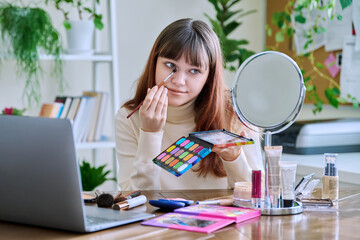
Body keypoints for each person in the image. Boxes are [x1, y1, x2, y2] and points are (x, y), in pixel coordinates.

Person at [115, 18, 264, 190]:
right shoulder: (129, 118)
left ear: (209, 77)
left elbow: (257, 196)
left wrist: (234, 159)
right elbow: (134, 201)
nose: (179, 81)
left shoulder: (236, 113)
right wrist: (149, 133)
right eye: (170, 65)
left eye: (194, 70)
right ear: (154, 62)